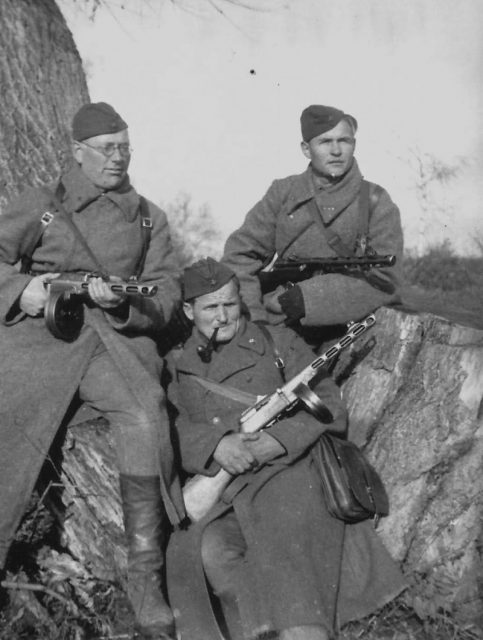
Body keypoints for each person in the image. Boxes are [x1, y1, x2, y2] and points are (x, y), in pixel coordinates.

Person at [0, 102, 184, 639]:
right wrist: (22, 290)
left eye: (125, 147)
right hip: (38, 338)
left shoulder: (149, 217)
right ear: (77, 153)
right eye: (106, 149)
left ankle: (146, 581)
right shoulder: (43, 205)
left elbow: (168, 289)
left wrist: (127, 306)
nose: (118, 159)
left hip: (112, 338)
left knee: (147, 415)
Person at [166, 257, 406, 640]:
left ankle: (302, 631)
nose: (223, 316)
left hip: (291, 476)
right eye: (211, 308)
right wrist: (218, 446)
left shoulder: (278, 341)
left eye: (230, 304)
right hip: (229, 490)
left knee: (286, 558)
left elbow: (330, 407)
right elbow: (173, 426)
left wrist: (275, 441)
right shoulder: (178, 364)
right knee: (210, 551)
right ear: (188, 310)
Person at [222, 105, 404, 344]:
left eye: (344, 141)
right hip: (277, 320)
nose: (336, 150)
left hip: (346, 326)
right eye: (325, 142)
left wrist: (309, 298)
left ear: (354, 145)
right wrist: (256, 322)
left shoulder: (375, 201)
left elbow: (387, 280)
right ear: (306, 149)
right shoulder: (283, 193)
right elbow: (239, 257)